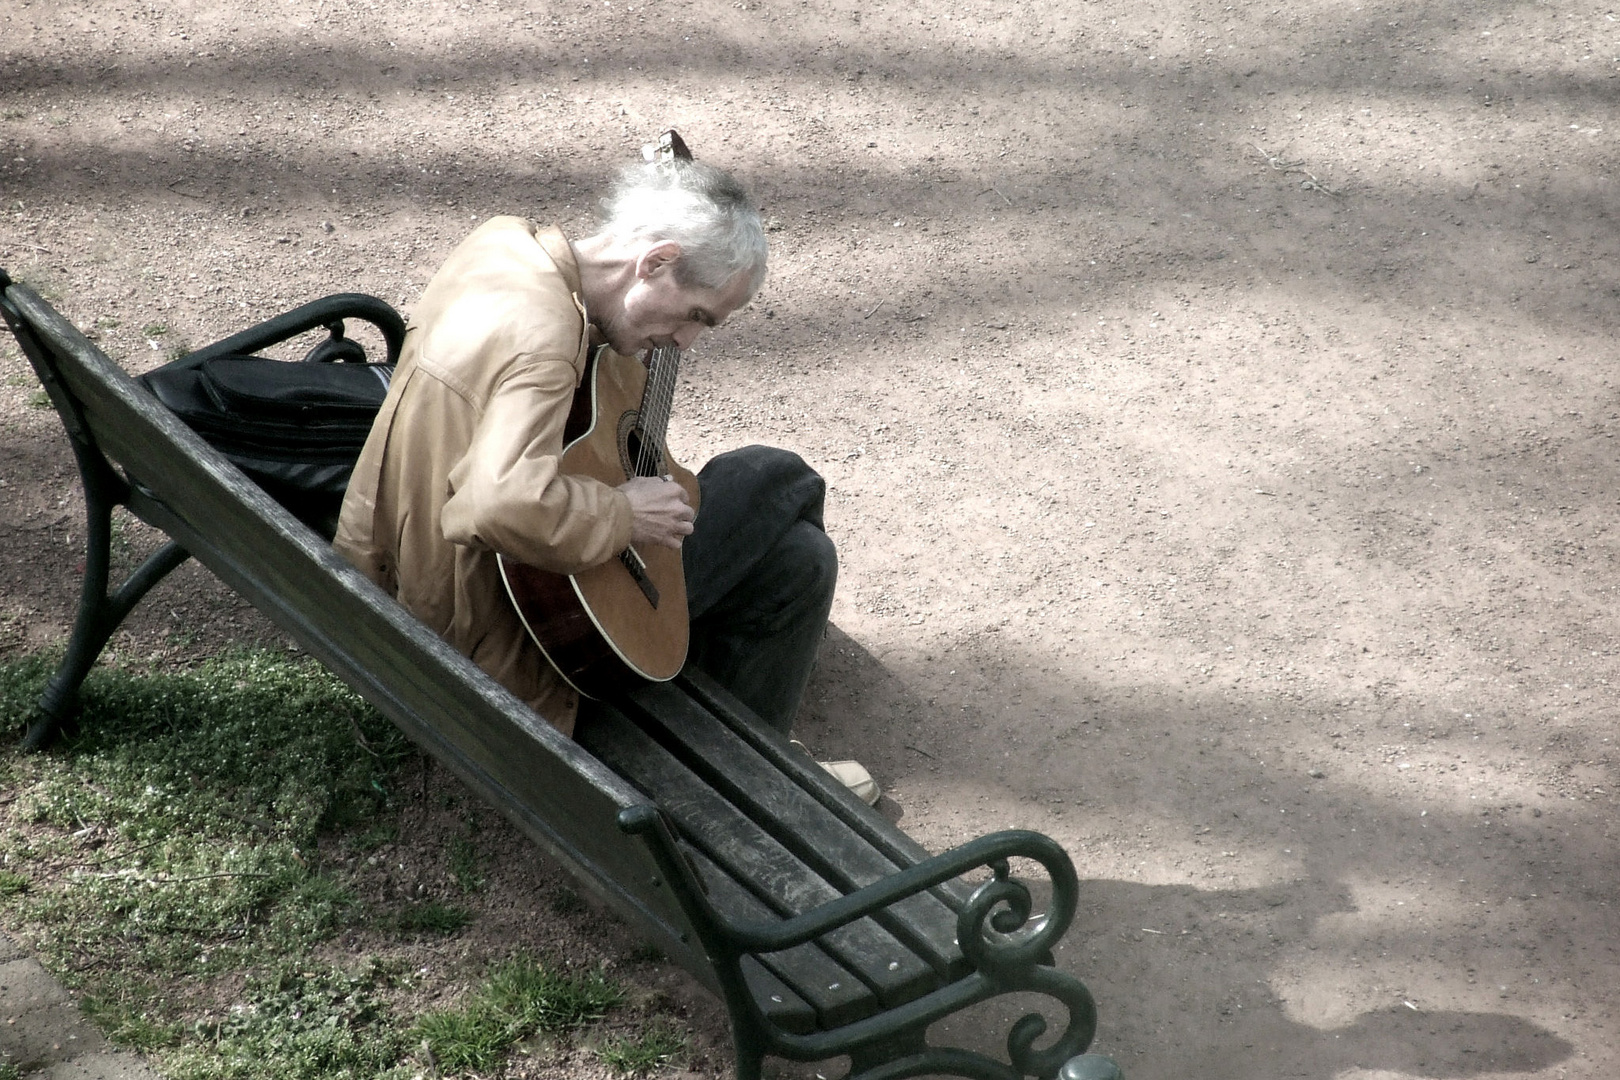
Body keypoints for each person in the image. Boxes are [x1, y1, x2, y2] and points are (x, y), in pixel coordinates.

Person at [333, 147, 878, 803]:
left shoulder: (501, 247)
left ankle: (751, 760)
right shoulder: (546, 335)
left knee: (800, 559)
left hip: (404, 579)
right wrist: (625, 513)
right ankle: (750, 780)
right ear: (654, 263)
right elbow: (492, 502)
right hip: (510, 642)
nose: (687, 343)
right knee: (778, 481)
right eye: (697, 315)